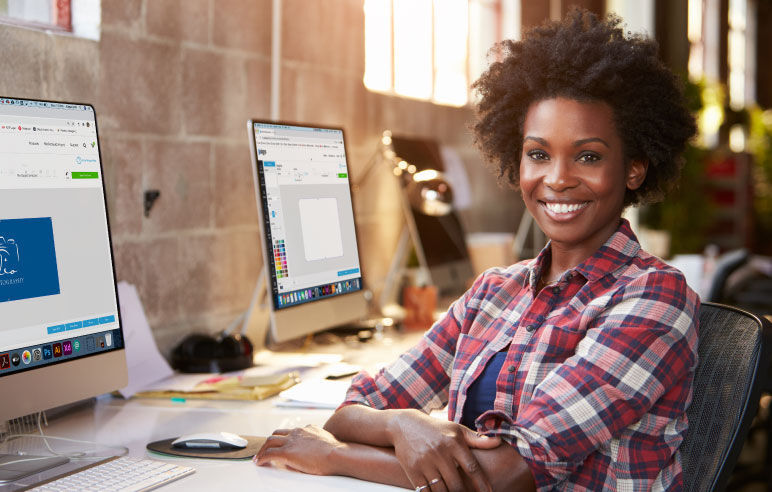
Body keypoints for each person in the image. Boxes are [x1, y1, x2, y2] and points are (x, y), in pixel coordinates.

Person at [255, 9, 699, 492]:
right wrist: (404, 424)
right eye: (538, 154)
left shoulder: (655, 298)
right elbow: (356, 407)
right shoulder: (494, 292)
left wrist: (335, 458)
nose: (557, 178)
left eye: (588, 156)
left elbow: (502, 473)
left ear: (633, 169)